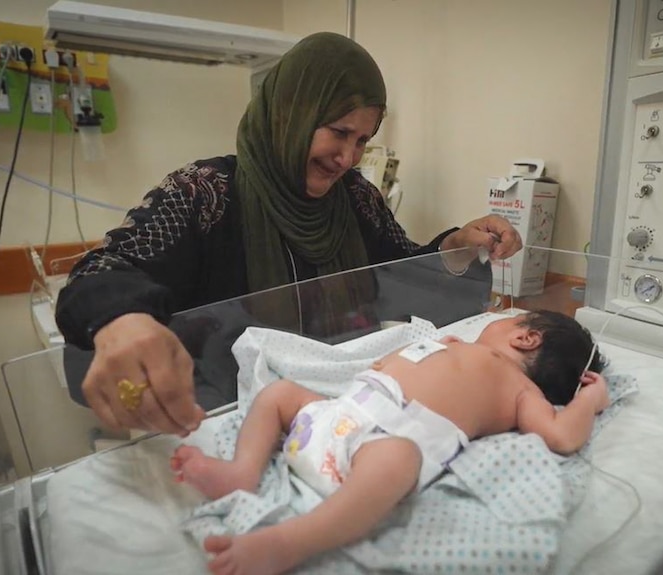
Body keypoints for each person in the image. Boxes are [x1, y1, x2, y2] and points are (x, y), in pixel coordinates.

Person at [54, 31, 522, 438]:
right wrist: (121, 320)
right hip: (232, 416)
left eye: (362, 141)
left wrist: (454, 248)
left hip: (343, 409)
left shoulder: (356, 200)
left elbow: (401, 272)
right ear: (290, 113)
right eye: (338, 132)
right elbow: (102, 270)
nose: (347, 158)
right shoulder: (204, 194)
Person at [171, 310, 608, 575]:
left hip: (380, 448)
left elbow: (561, 437)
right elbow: (389, 362)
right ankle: (242, 472)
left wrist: (589, 400)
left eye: (502, 321)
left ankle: (290, 542)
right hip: (335, 416)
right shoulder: (452, 346)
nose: (487, 327)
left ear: (525, 337)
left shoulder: (520, 391)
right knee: (281, 394)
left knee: (400, 459)